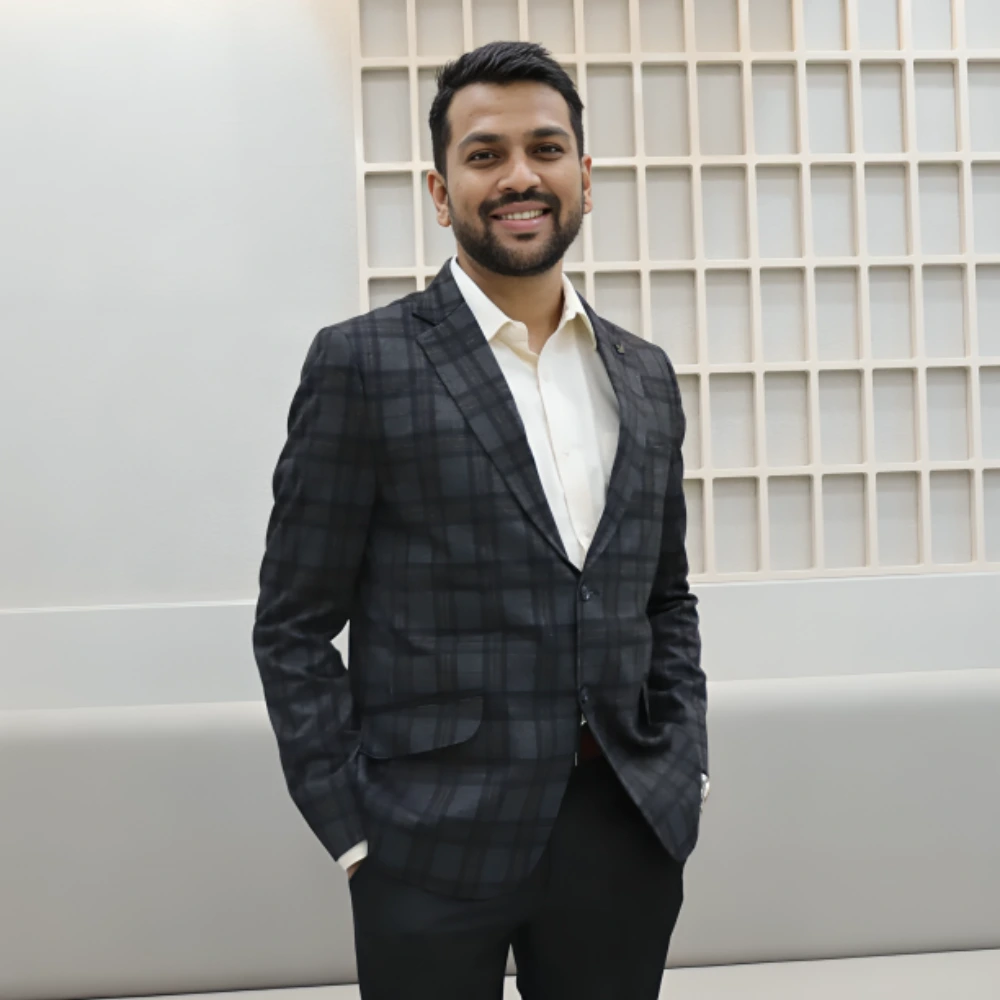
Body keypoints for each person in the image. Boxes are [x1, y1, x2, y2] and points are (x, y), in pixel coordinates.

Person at [252, 40, 709, 1000]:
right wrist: (352, 830)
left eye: (546, 149)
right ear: (440, 188)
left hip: (623, 826)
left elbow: (665, 598)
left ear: (584, 176)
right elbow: (293, 625)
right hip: (425, 838)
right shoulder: (363, 364)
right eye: (485, 153)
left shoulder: (645, 374)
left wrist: (684, 766)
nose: (519, 177)